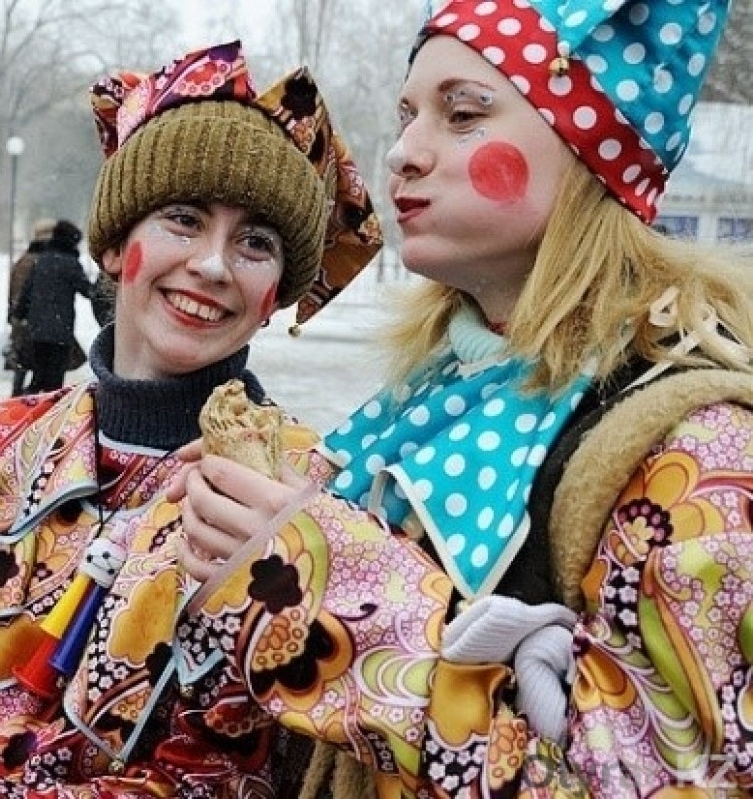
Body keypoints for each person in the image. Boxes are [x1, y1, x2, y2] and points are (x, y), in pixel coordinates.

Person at [171, 1, 753, 796]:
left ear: (592, 153)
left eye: (463, 114)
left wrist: (330, 594)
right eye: (408, 115)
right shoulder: (425, 401)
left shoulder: (698, 448)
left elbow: (670, 781)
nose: (404, 154)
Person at [0, 40, 382, 796]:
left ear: (277, 294)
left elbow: (238, 772)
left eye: (256, 242)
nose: (213, 264)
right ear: (114, 242)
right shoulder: (1, 445)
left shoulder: (300, 493)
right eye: (184, 218)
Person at [13, 219, 92, 393]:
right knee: (54, 382)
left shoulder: (42, 260)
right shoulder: (70, 264)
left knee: (39, 376)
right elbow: (88, 291)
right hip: (60, 333)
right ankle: (47, 412)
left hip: (37, 331)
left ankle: (30, 406)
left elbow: (26, 290)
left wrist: (18, 315)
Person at [5, 218, 55, 397]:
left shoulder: (24, 259)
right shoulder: (41, 262)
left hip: (22, 319)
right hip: (33, 320)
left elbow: (13, 292)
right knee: (35, 368)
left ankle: (16, 401)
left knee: (22, 366)